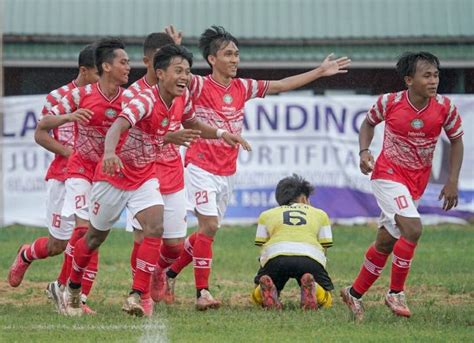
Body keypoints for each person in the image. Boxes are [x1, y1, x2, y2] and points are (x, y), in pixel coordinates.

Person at [162, 25, 351, 310]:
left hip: (227, 172)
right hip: (199, 166)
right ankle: (203, 293)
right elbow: (171, 74)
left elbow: (281, 85)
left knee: (205, 233)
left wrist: (319, 72)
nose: (235, 59)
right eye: (228, 54)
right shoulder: (198, 84)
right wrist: (173, 49)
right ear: (212, 59)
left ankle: (169, 273)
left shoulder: (243, 87)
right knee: (209, 226)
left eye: (237, 54)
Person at [63, 44, 249, 317]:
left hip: (144, 177)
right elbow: (117, 126)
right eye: (178, 71)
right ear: (160, 74)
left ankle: (137, 296)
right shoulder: (143, 100)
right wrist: (111, 153)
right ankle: (73, 289)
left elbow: (193, 124)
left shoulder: (180, 98)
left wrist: (222, 133)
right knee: (94, 237)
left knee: (155, 226)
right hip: (114, 176)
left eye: (187, 71)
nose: (184, 77)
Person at [340, 52, 464, 321]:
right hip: (388, 174)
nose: (433, 81)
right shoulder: (390, 102)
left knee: (386, 242)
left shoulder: (445, 107)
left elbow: (456, 141)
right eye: (426, 75)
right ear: (409, 80)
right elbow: (368, 123)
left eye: (436, 75)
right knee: (413, 228)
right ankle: (395, 292)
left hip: (416, 181)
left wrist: (452, 180)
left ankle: (354, 293)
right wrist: (364, 152)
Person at [32, 37, 130, 315]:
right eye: (124, 62)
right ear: (104, 67)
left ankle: (63, 286)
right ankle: (74, 297)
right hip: (76, 170)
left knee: (93, 236)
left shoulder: (127, 99)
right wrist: (69, 116)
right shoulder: (76, 95)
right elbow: (43, 127)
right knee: (79, 232)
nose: (128, 67)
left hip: (104, 175)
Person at [7, 44, 100, 314]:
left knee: (89, 237)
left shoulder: (104, 97)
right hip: (62, 177)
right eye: (97, 73)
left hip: (91, 177)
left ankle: (74, 298)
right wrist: (69, 153)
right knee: (57, 244)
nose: (101, 79)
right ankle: (27, 253)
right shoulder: (59, 97)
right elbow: (41, 134)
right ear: (84, 70)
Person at [250, 174, 334, 311]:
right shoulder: (320, 214)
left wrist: (265, 271)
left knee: (255, 298)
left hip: (277, 257)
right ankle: (314, 288)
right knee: (327, 299)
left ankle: (265, 291)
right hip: (310, 257)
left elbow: (262, 247)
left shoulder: (266, 215)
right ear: (303, 198)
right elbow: (325, 248)